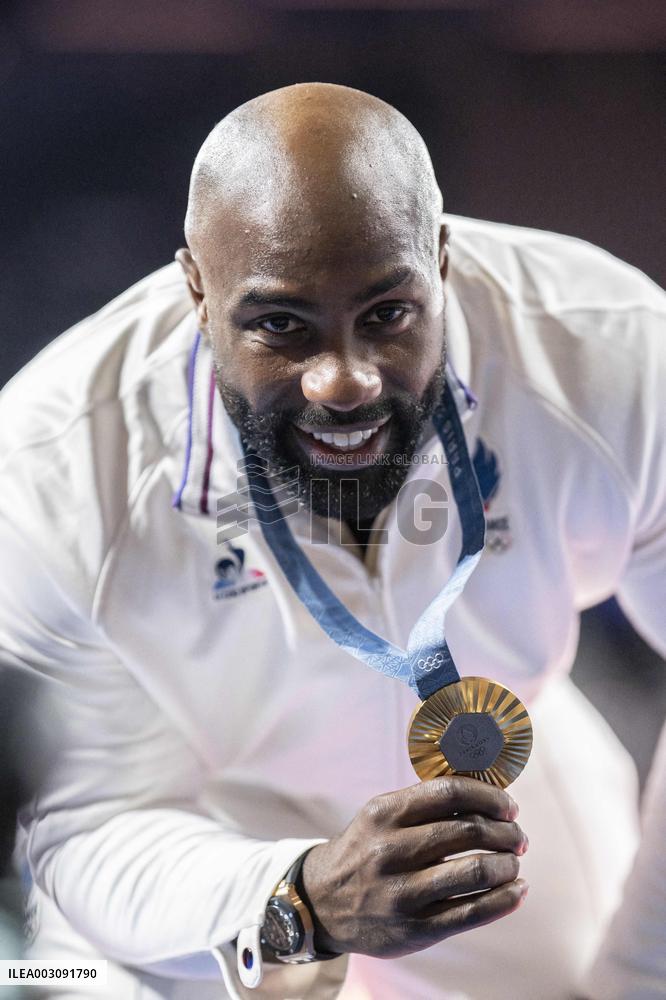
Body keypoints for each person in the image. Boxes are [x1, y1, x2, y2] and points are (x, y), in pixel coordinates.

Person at [0, 82, 664, 1000]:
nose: (344, 380)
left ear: (440, 259)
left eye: (388, 315)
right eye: (281, 325)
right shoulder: (51, 464)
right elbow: (81, 823)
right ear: (196, 288)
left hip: (496, 787)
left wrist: (641, 974)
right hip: (187, 833)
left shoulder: (612, 353)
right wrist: (296, 902)